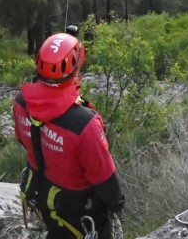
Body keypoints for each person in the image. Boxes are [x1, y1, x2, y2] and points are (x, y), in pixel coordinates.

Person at [14, 31, 124, 238]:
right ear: (76, 67)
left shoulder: (21, 101)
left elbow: (22, 139)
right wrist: (117, 204)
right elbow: (104, 178)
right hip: (78, 209)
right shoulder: (84, 123)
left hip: (41, 193)